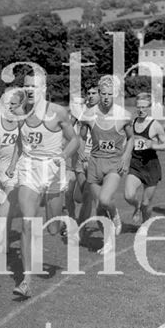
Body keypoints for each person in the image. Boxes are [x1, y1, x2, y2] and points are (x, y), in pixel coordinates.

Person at [6, 74, 79, 298]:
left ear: (43, 88)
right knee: (28, 223)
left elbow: (75, 140)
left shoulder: (58, 112)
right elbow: (21, 140)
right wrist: (12, 164)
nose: (29, 89)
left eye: (34, 86)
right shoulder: (19, 112)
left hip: (54, 168)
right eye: (26, 85)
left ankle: (64, 218)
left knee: (52, 229)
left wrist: (63, 156)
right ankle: (26, 280)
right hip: (29, 168)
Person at [78, 75, 134, 254]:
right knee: (99, 208)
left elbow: (131, 137)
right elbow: (81, 136)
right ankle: (108, 242)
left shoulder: (123, 116)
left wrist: (126, 156)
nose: (106, 97)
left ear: (115, 94)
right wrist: (83, 153)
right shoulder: (89, 114)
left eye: (110, 94)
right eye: (103, 93)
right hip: (94, 164)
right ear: (99, 93)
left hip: (114, 164)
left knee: (104, 199)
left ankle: (115, 214)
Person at [0, 88, 24, 273]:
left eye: (14, 104)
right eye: (7, 103)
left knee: (4, 211)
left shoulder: (23, 123)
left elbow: (24, 145)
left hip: (14, 172)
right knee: (5, 212)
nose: (10, 107)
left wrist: (13, 165)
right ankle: (3, 244)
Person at [123, 93, 165, 225]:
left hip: (151, 166)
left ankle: (145, 225)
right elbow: (127, 141)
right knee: (128, 195)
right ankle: (136, 206)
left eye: (144, 107)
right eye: (139, 107)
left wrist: (153, 145)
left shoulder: (155, 125)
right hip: (135, 165)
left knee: (146, 203)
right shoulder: (131, 124)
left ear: (149, 108)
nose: (141, 110)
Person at [68, 86, 99, 227]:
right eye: (89, 93)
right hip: (80, 158)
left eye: (94, 93)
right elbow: (68, 129)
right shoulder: (80, 110)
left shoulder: (105, 112)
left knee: (87, 195)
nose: (91, 95)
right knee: (78, 197)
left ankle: (80, 227)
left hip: (96, 158)